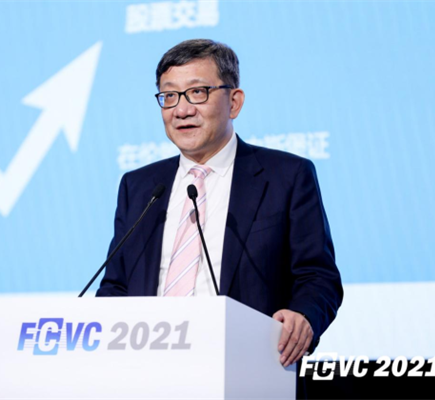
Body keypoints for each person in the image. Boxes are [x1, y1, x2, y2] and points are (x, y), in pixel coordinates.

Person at [97, 39, 343, 370]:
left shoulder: (286, 176)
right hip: (147, 371)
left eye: (197, 92)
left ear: (234, 102)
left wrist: (304, 316)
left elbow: (317, 276)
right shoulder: (139, 186)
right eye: (169, 96)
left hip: (248, 368)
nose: (181, 110)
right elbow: (116, 284)